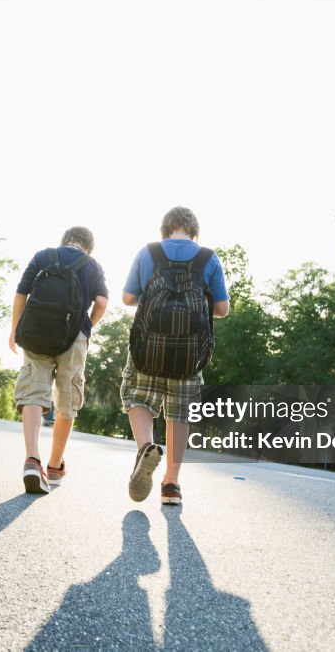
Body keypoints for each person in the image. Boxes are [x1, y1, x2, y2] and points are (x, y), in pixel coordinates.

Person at [120, 207, 230, 505]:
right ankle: (171, 484)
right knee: (180, 414)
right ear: (194, 231)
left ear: (165, 229)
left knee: (138, 398)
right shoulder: (208, 258)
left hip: (148, 347)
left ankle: (146, 448)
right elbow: (222, 309)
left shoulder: (149, 252)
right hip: (189, 354)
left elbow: (128, 297)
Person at [10, 227, 108, 494]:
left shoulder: (43, 256)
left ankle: (32, 458)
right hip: (73, 337)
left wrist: (14, 329)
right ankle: (54, 466)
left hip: (36, 332)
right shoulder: (92, 265)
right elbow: (101, 301)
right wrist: (87, 327)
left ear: (65, 241)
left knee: (33, 392)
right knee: (67, 401)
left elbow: (21, 293)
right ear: (89, 246)